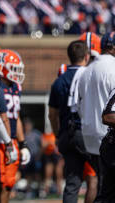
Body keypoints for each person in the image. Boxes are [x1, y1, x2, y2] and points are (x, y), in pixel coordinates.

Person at [48, 40, 90, 203]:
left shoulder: (59, 81)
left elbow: (52, 114)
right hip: (85, 132)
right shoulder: (89, 76)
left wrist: (58, 134)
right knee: (98, 177)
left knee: (72, 183)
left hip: (66, 133)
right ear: (86, 57)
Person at [77, 32, 115, 203]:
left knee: (96, 182)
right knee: (102, 186)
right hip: (107, 133)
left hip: (88, 132)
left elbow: (79, 105)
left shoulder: (87, 69)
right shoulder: (112, 66)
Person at [0, 49, 31, 203]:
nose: (17, 73)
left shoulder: (16, 87)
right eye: (14, 68)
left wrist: (22, 144)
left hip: (12, 140)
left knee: (9, 184)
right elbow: (0, 118)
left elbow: (16, 116)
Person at [65, 32, 100, 203]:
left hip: (72, 131)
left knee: (73, 181)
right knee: (96, 178)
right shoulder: (97, 72)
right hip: (93, 131)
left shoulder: (66, 73)